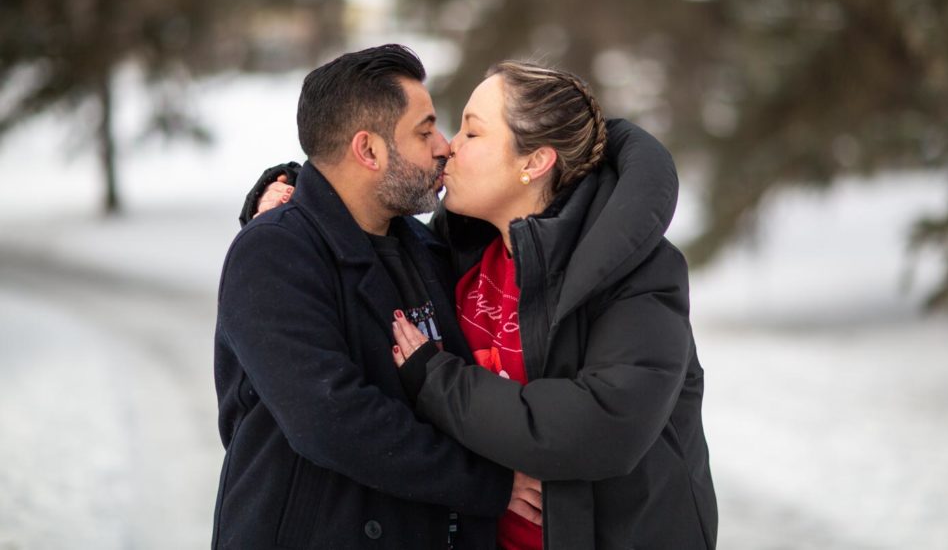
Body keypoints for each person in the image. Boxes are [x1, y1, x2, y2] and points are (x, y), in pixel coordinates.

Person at [252, 61, 717, 549]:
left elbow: (604, 426)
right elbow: (357, 227)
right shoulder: (460, 250)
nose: (449, 145)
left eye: (472, 132)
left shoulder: (636, 271)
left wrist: (437, 379)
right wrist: (286, 196)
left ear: (533, 162)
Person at [213, 44, 524, 549]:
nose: (444, 146)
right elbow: (330, 418)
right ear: (369, 150)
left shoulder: (424, 248)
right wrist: (487, 484)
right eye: (425, 131)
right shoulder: (273, 251)